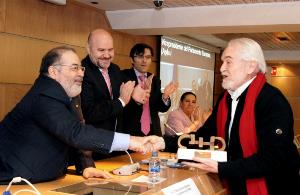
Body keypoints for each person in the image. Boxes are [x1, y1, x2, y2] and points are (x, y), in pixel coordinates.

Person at [0, 46, 165, 183]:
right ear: (53, 72)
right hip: (14, 181)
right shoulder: (45, 94)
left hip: (43, 179)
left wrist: (85, 167)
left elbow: (74, 131)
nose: (81, 73)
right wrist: (133, 141)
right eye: (74, 68)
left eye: (81, 68)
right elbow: (75, 133)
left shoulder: (66, 94)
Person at [167, 38, 299, 195]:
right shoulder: (226, 100)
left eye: (228, 62)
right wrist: (163, 142)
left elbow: (272, 159)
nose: (222, 68)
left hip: (274, 188)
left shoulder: (272, 101)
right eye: (222, 62)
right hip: (237, 184)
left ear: (251, 66)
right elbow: (204, 136)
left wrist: (220, 167)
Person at [81, 29, 148, 132]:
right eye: (101, 50)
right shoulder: (82, 72)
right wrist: (121, 101)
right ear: (88, 49)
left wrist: (135, 94)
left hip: (117, 138)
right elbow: (89, 113)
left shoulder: (114, 69)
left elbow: (124, 104)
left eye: (110, 49)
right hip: (95, 141)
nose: (107, 55)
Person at [122, 43, 178, 136]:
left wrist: (165, 96)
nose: (144, 60)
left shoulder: (155, 79)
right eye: (140, 57)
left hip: (153, 130)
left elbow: (160, 108)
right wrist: (136, 99)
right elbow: (121, 105)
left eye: (148, 57)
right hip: (130, 130)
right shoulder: (123, 76)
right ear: (132, 59)